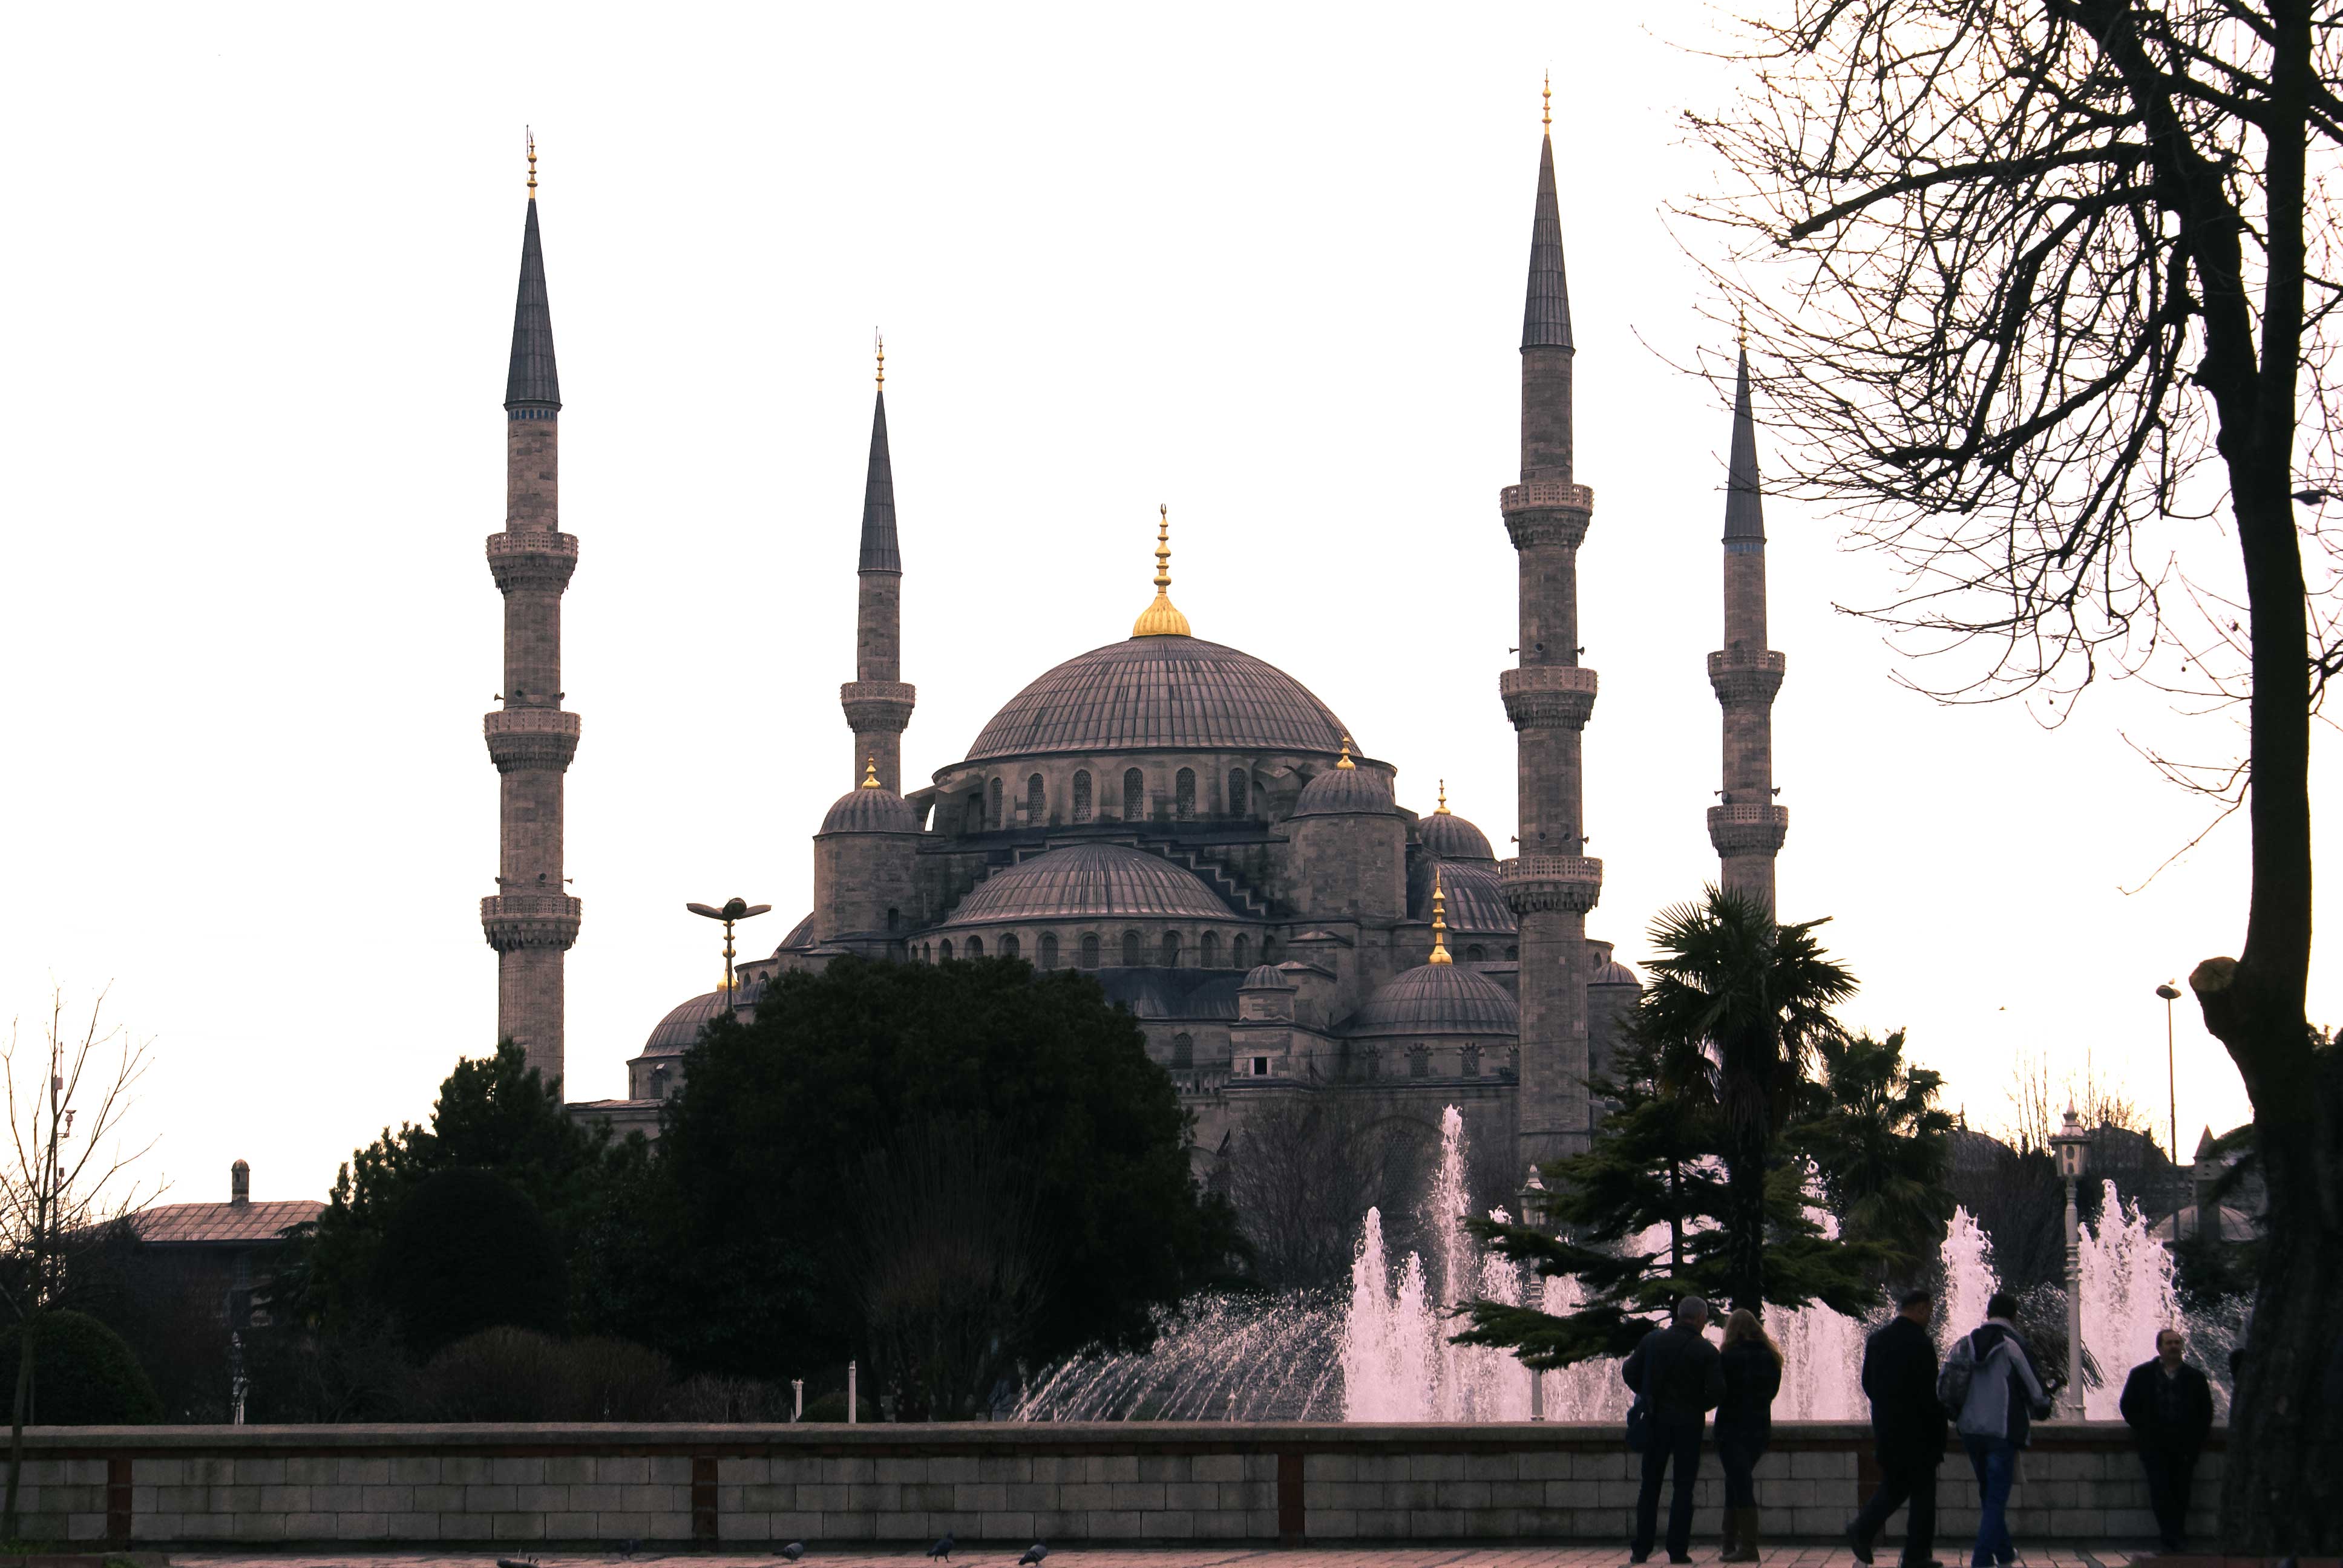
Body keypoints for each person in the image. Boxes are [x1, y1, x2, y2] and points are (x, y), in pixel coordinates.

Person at [1620, 1295, 1726, 1564]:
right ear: (1701, 1319)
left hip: (1655, 1422)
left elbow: (1629, 1371)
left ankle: (1641, 1550)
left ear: (1679, 1315)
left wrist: (1648, 1394)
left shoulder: (1652, 1341)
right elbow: (1717, 1392)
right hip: (1688, 1428)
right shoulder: (1707, 1351)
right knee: (1683, 1489)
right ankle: (1678, 1551)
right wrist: (1694, 1406)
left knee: (1650, 1486)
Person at [1951, 1291, 2052, 1567]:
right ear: (2014, 1316)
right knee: (1996, 1498)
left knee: (1989, 1495)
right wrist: (2044, 1405)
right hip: (2001, 1432)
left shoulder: (1964, 1343)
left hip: (1970, 1431)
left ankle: (2005, 1552)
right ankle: (1981, 1560)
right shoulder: (2013, 1345)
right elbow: (2036, 1390)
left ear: (1987, 1313)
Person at [1849, 1287, 1945, 1567]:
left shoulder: (1877, 1340)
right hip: (1918, 1433)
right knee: (1923, 1493)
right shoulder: (1921, 1343)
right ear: (1919, 1309)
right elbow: (1929, 1393)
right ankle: (1912, 1553)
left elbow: (1868, 1383)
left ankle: (1864, 1531)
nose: (1930, 1316)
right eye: (1929, 1310)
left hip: (1887, 1428)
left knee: (1897, 1485)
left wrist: (1887, 1409)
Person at [2118, 1327, 2215, 1552]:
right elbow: (2127, 1406)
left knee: (2182, 1492)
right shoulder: (2141, 1375)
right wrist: (2146, 1429)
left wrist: (2195, 1441)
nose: (2174, 1347)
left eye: (2177, 1343)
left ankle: (2178, 1534)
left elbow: (2205, 1413)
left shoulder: (2196, 1378)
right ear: (2159, 1348)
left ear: (2182, 1347)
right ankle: (2168, 1536)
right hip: (2154, 1446)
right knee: (2160, 1492)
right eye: (2169, 1343)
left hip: (2184, 1447)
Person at [1716, 1307, 1782, 1562]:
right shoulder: (1771, 1357)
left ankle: (1748, 1547)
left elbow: (1719, 1391)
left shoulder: (1728, 1357)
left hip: (1731, 1429)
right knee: (1735, 1481)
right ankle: (1729, 1543)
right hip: (1759, 1429)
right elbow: (1772, 1393)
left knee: (1740, 1484)